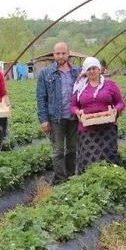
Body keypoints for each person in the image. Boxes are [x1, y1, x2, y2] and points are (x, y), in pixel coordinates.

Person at [71, 57, 126, 174]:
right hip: (86, 129)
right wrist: (77, 112)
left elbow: (120, 102)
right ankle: (89, 185)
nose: (92, 71)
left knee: (108, 157)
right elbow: (73, 105)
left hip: (107, 128)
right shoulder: (80, 87)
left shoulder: (110, 85)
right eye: (89, 69)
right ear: (85, 71)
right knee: (88, 159)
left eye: (94, 68)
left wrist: (115, 110)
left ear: (99, 69)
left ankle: (109, 183)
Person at [36, 42, 81, 184]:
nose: (60, 56)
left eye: (63, 53)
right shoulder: (46, 73)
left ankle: (71, 175)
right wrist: (43, 119)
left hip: (74, 117)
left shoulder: (77, 72)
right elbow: (41, 97)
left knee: (73, 149)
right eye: (57, 53)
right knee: (58, 151)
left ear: (68, 54)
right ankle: (61, 180)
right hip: (56, 118)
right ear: (53, 54)